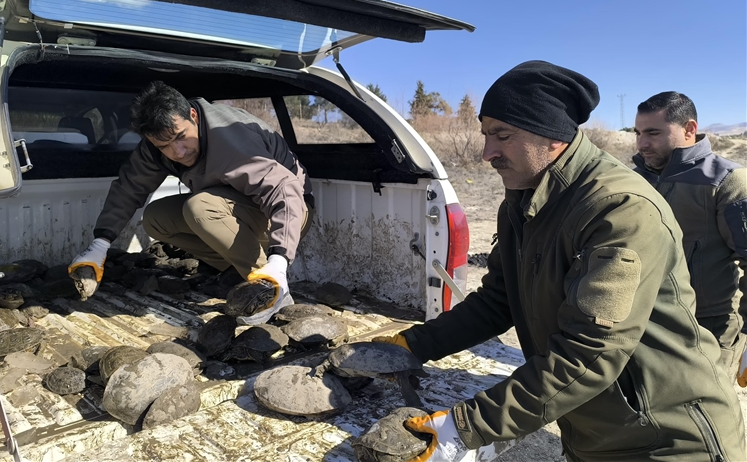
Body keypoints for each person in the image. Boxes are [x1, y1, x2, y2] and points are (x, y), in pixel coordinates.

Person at [375, 61, 746, 461]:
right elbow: (498, 299)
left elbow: (592, 350)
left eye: (502, 135)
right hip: (595, 430)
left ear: (552, 137)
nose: (487, 152)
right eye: (485, 135)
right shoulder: (525, 198)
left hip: (668, 438)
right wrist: (414, 344)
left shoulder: (618, 208)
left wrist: (468, 425)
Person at [68, 81, 314, 325]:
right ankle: (234, 270)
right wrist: (100, 244)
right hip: (235, 204)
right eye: (164, 146)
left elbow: (284, 192)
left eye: (181, 137)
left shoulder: (232, 139)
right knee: (155, 219)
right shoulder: (157, 144)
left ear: (193, 115)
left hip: (290, 211)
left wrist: (278, 262)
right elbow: (129, 188)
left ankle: (270, 291)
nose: (179, 152)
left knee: (200, 208)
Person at [632, 91, 747, 385]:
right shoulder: (634, 180)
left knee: (704, 420)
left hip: (706, 331)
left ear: (689, 129)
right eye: (638, 133)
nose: (642, 143)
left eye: (653, 133)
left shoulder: (726, 181)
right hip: (640, 326)